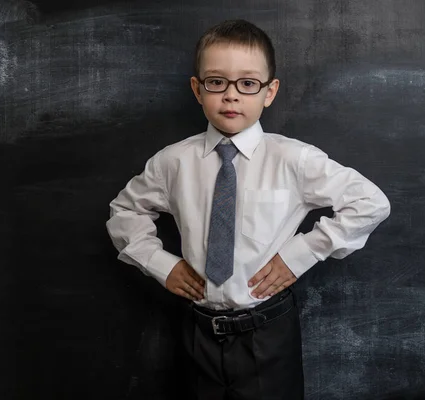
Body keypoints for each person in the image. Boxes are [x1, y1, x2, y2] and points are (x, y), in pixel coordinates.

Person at [106, 19, 390, 400]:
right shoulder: (173, 162)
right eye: (216, 82)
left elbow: (370, 202)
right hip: (197, 333)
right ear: (197, 89)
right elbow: (125, 211)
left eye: (248, 83)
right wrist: (162, 264)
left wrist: (300, 255)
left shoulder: (293, 159)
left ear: (269, 92)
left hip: (268, 334)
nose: (231, 96)